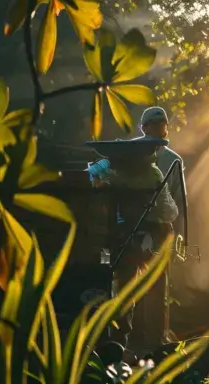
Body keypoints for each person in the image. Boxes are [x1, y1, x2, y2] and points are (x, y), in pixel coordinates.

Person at [87, 107, 182, 360]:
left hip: (152, 232)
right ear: (144, 126)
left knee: (155, 288)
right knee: (126, 286)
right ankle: (121, 342)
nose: (161, 126)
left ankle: (154, 341)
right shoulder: (126, 156)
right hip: (127, 233)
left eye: (163, 122)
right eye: (155, 123)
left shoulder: (170, 160)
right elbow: (93, 173)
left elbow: (173, 206)